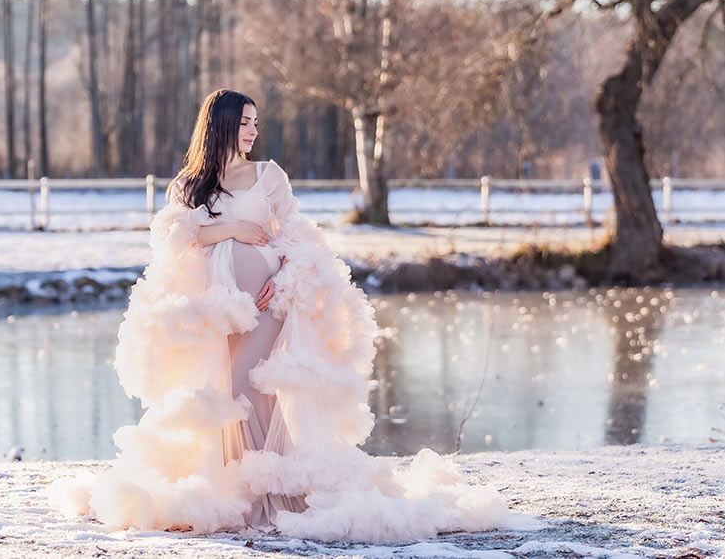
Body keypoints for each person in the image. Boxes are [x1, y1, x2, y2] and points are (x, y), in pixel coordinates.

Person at [51, 89, 530, 541]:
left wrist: (281, 281)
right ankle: (229, 491)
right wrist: (232, 227)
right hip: (212, 314)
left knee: (245, 387)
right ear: (219, 126)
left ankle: (265, 496)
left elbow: (297, 237)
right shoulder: (188, 185)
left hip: (265, 304)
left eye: (256, 123)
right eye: (244, 123)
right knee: (216, 396)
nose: (253, 131)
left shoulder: (269, 176)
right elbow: (176, 239)